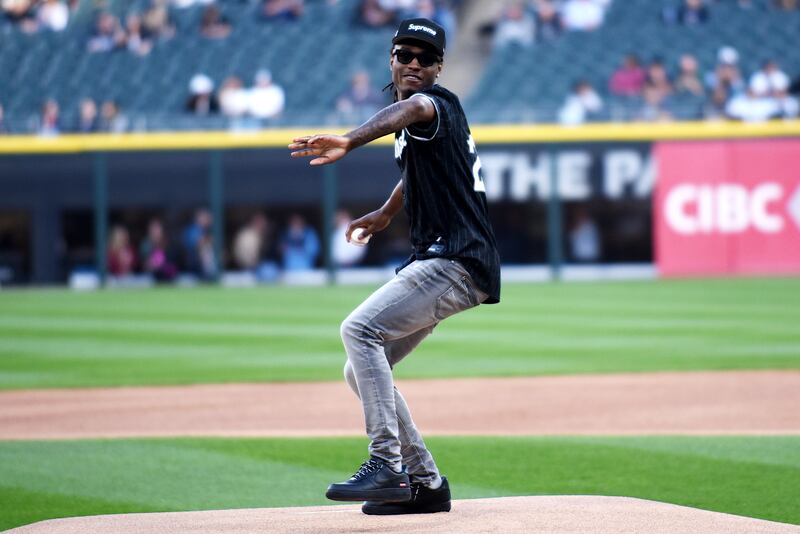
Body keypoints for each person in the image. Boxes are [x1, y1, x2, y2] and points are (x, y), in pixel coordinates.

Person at [290, 17, 500, 516]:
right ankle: (425, 484)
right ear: (391, 58)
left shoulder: (435, 104)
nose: (412, 63)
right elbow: (416, 171)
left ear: (438, 68)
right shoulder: (415, 122)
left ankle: (386, 462)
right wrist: (386, 213)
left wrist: (348, 138)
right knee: (358, 369)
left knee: (359, 330)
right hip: (448, 258)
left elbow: (412, 108)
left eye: (424, 57)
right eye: (404, 54)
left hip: (454, 257)